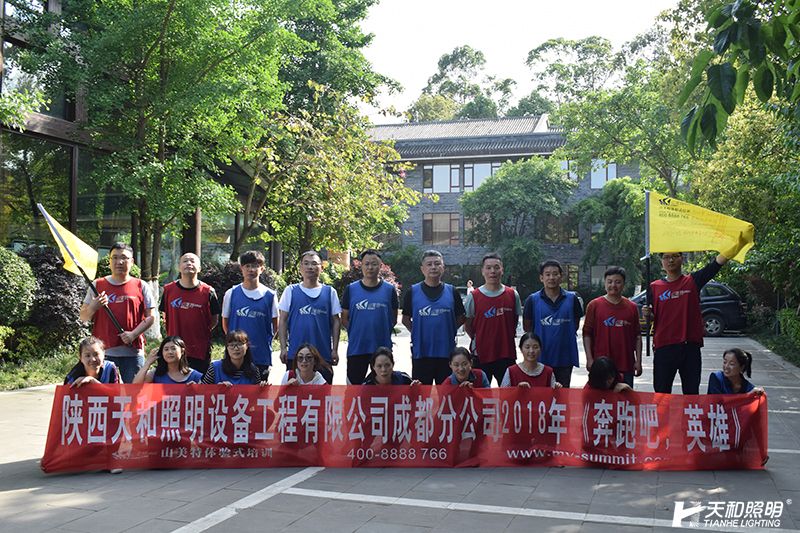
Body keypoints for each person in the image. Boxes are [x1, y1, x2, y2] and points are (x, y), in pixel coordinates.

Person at [648, 249, 741, 394]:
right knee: (661, 394)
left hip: (690, 347)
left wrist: (733, 247)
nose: (670, 260)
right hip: (664, 347)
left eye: (675, 256)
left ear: (682, 258)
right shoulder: (654, 287)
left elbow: (715, 265)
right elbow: (651, 317)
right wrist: (647, 315)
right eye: (666, 257)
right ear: (662, 262)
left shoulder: (692, 281)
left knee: (691, 393)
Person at [79, 242, 156, 383]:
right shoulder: (97, 285)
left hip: (132, 352)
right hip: (103, 352)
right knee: (104, 391)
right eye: (114, 257)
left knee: (134, 391)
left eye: (124, 258)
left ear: (132, 261)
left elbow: (151, 317)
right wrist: (93, 307)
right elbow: (83, 316)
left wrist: (133, 334)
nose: (119, 262)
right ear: (109, 261)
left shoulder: (141, 285)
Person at [402, 250, 466, 384]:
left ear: (443, 267)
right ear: (422, 269)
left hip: (447, 354)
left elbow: (461, 318)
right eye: (429, 264)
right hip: (421, 353)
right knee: (421, 393)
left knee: (447, 393)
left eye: (437, 264)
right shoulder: (412, 292)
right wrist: (418, 332)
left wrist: (448, 330)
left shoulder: (452, 291)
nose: (433, 267)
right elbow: (405, 319)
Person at [278, 250, 341, 384]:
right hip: (296, 355)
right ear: (300, 268)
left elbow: (336, 321)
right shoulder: (290, 291)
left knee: (323, 394)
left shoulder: (330, 292)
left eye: (314, 263)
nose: (310, 267)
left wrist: (335, 349)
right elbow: (282, 320)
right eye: (306, 263)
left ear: (321, 268)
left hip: (323, 354)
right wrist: (283, 347)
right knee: (294, 393)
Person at [341, 250, 399, 385]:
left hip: (382, 350)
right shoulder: (351, 289)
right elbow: (344, 318)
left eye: (374, 264)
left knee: (382, 388)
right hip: (357, 348)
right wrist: (357, 332)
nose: (370, 267)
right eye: (366, 264)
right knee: (354, 390)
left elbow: (393, 318)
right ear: (361, 266)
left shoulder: (389, 290)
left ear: (380, 266)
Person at [522, 259, 583, 387]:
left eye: (555, 274)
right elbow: (527, 328)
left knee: (562, 395)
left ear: (561, 277)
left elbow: (575, 324)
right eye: (547, 274)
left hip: (564, 358)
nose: (551, 277)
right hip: (540, 358)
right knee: (540, 395)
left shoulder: (572, 299)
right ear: (541, 278)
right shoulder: (532, 300)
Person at [464, 253, 522, 386]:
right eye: (488, 268)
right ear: (482, 271)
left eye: (496, 267)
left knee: (509, 394)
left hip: (506, 353)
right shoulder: (474, 296)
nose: (492, 271)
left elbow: (513, 322)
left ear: (502, 270)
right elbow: (468, 325)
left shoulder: (512, 294)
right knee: (479, 394)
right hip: (481, 355)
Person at [222, 250, 278, 382]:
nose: (251, 270)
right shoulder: (231, 293)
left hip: (260, 356)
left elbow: (275, 326)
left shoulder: (270, 295)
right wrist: (235, 343)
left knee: (259, 392)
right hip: (235, 357)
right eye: (247, 266)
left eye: (255, 266)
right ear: (241, 268)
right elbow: (225, 324)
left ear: (262, 269)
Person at [160, 253, 220, 374]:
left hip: (199, 349)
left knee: (199, 383)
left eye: (192, 261)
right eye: (185, 261)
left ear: (199, 268)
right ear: (179, 267)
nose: (189, 263)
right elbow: (165, 315)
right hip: (174, 349)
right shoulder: (168, 290)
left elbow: (214, 319)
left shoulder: (208, 292)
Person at [582, 266, 642, 388]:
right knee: (600, 398)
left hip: (625, 363)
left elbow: (637, 336)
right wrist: (589, 359)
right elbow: (587, 334)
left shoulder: (632, 307)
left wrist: (638, 361)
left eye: (617, 282)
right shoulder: (594, 305)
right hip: (601, 365)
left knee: (625, 397)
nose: (613, 285)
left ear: (624, 284)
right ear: (605, 283)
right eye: (609, 282)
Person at [201, 330, 266, 386]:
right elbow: (202, 391)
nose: (236, 348)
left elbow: (257, 395)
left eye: (240, 344)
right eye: (232, 345)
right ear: (227, 348)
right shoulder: (214, 368)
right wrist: (217, 389)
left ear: (247, 346)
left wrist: (262, 388)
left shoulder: (254, 370)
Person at [132, 335, 203, 384]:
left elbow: (206, 394)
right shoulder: (156, 373)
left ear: (182, 351)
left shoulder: (195, 376)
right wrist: (148, 363)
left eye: (173, 348)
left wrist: (197, 389)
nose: (170, 352)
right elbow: (135, 386)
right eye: (166, 349)